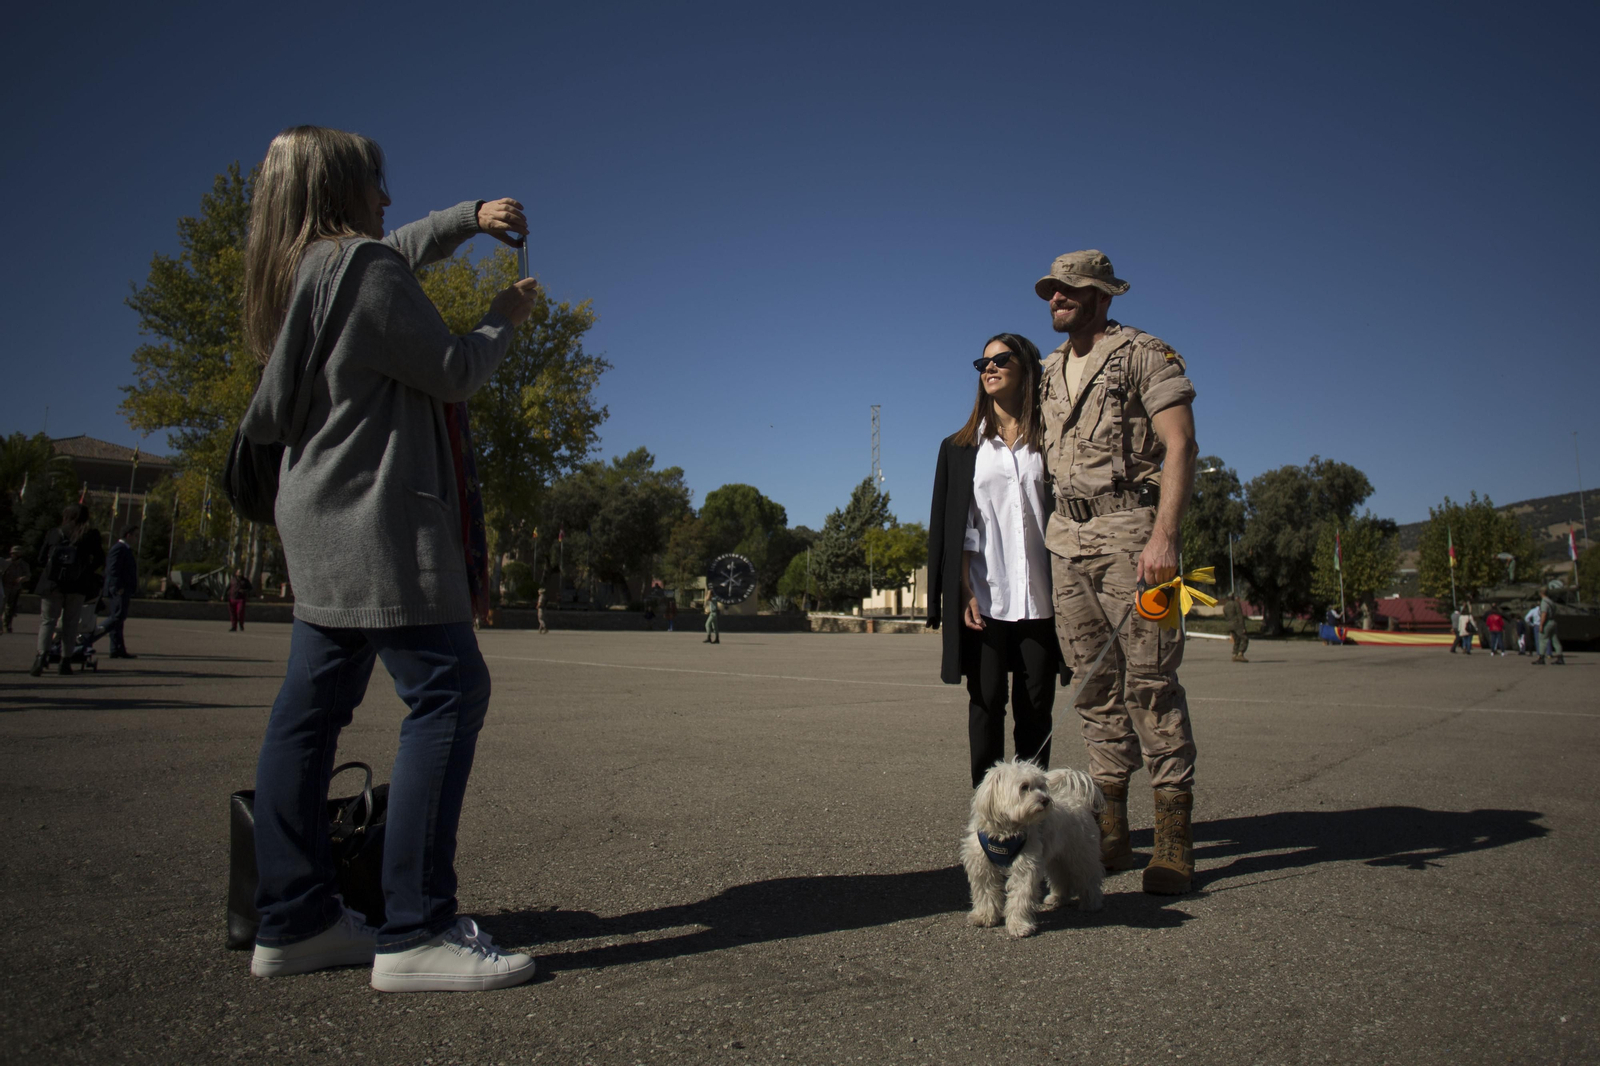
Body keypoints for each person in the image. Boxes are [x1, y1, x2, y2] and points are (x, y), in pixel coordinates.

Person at [237, 126, 541, 992]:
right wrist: (503, 317)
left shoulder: (298, 274)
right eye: (376, 182)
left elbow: (395, 249)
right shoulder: (362, 270)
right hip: (378, 517)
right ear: (341, 189)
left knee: (310, 714)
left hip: (316, 515)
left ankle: (294, 919)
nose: (387, 197)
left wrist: (468, 218)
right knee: (449, 691)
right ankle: (417, 927)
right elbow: (452, 370)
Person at [1033, 250, 1199, 895]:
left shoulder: (1143, 354)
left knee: (1152, 683)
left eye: (1071, 289)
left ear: (1103, 296)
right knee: (1093, 688)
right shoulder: (1049, 370)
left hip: (1133, 536)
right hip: (1066, 539)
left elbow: (1181, 443)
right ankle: (1112, 833)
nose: (1058, 298)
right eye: (1052, 289)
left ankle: (1174, 842)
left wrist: (1166, 537)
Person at [927, 333, 1062, 788]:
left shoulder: (1052, 440)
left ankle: (1034, 810)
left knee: (1036, 709)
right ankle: (988, 812)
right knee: (986, 704)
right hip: (985, 597)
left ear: (1026, 368)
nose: (989, 368)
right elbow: (960, 525)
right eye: (982, 363)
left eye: (1001, 359)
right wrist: (963, 587)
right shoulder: (961, 447)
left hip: (1042, 597)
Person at [31, 504, 105, 676]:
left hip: (52, 584)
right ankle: (65, 661)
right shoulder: (90, 534)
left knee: (48, 621)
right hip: (77, 585)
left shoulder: (55, 532)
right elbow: (100, 559)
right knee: (71, 624)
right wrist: (85, 570)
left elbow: (41, 558)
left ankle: (41, 657)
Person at [83, 525, 139, 659]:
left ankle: (117, 648)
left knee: (118, 619)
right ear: (128, 535)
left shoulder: (125, 549)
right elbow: (112, 569)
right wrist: (118, 587)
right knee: (117, 617)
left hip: (122, 589)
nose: (137, 539)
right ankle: (87, 639)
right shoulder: (119, 548)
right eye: (135, 535)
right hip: (119, 589)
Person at [2, 545, 30, 634]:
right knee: (1, 607)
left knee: (10, 608)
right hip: (4, 587)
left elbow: (28, 576)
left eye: (16, 553)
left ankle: (7, 625)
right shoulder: (6, 562)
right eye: (12, 553)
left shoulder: (24, 565)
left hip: (15, 588)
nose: (13, 555)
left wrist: (23, 578)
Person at [1534, 588, 1565, 665]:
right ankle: (1560, 657)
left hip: (1547, 622)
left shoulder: (1544, 602)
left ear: (1541, 593)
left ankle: (1541, 658)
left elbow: (1544, 614)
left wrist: (1541, 625)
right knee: (1555, 641)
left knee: (1542, 640)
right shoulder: (1551, 602)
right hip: (1553, 621)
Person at [1223, 593, 1249, 663]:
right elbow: (1239, 615)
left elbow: (1225, 616)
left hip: (1229, 625)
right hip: (1237, 624)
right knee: (1244, 638)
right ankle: (1240, 653)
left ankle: (1235, 654)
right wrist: (1243, 627)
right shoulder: (1236, 604)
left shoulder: (1225, 606)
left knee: (1237, 639)